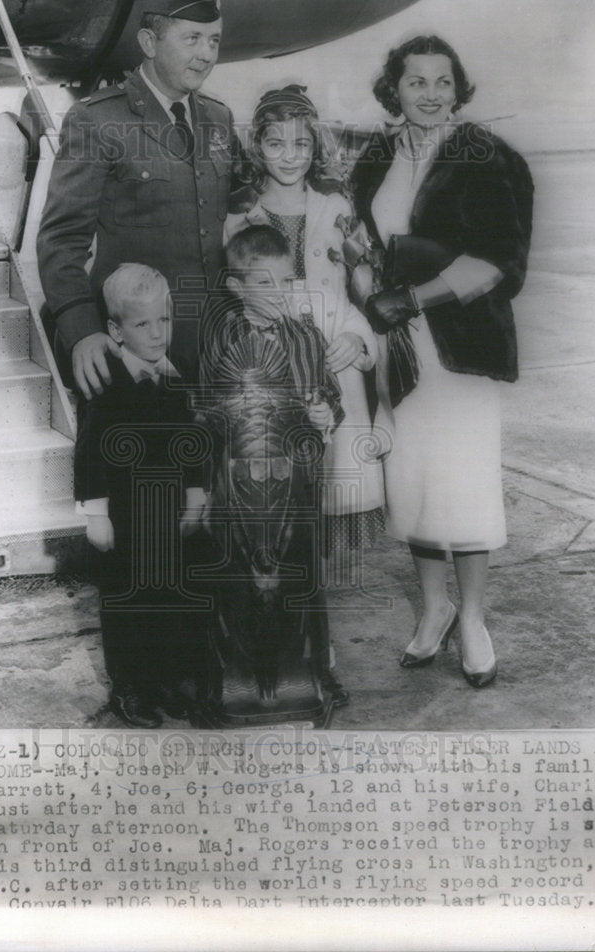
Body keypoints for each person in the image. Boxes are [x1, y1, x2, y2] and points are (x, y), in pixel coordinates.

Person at [351, 35, 533, 688]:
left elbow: (503, 260)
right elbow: (362, 241)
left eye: (441, 81)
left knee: (464, 485)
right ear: (392, 90)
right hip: (397, 350)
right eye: (415, 81)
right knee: (416, 483)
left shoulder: (487, 157)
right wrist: (367, 288)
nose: (429, 93)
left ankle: (475, 618)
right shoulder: (374, 157)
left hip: (460, 346)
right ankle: (433, 610)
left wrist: (414, 298)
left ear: (457, 89)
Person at [37, 0, 237, 398]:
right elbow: (61, 239)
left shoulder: (219, 119)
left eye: (214, 40)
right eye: (192, 38)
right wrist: (82, 331)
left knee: (210, 462)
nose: (206, 54)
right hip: (131, 355)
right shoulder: (98, 120)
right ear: (149, 41)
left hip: (212, 349)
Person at [225, 85, 387, 560]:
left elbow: (361, 290)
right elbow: (232, 294)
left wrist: (359, 341)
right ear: (257, 146)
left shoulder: (337, 205)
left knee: (335, 486)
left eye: (301, 144)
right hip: (272, 367)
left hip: (334, 360)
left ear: (315, 146)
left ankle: (316, 618)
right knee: (279, 486)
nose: (289, 156)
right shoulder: (239, 213)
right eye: (276, 144)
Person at [198, 224, 349, 714]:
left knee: (304, 580)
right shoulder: (217, 339)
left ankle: (317, 672)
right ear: (235, 285)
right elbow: (204, 413)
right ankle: (236, 673)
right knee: (240, 583)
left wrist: (325, 412)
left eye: (286, 283)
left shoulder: (305, 335)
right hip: (238, 495)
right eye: (264, 284)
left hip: (298, 492)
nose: (279, 295)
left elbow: (330, 393)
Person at [74, 263, 209, 728]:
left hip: (170, 515)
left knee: (172, 599)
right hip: (126, 518)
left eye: (164, 321)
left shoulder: (178, 374)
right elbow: (90, 451)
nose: (156, 334)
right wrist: (96, 514)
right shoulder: (106, 384)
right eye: (142, 324)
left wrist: (195, 494)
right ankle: (130, 687)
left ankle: (168, 680)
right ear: (115, 330)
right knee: (128, 604)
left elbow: (195, 444)